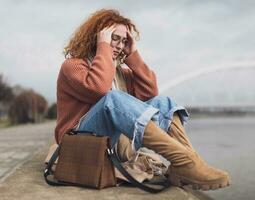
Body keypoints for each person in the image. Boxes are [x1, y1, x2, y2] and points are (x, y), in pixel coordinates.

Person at [55, 8, 230, 191]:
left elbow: (150, 92)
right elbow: (98, 88)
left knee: (164, 102)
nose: (120, 46)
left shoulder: (119, 72)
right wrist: (104, 47)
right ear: (98, 37)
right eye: (114, 38)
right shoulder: (73, 67)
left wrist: (133, 55)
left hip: (113, 143)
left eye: (124, 41)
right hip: (79, 144)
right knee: (113, 98)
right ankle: (186, 161)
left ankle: (184, 166)